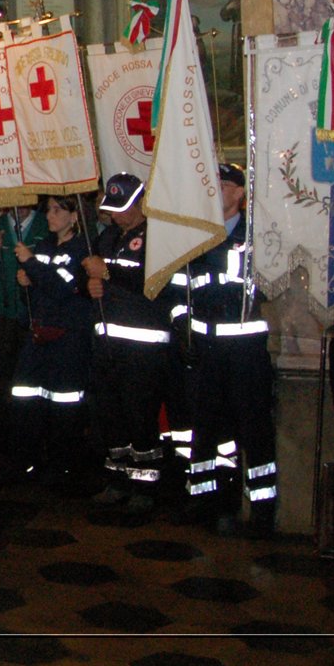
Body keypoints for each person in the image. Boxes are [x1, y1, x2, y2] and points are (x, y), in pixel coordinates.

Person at [178, 162, 277, 537]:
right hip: (206, 350)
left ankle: (262, 508)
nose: (215, 188)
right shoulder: (196, 236)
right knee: (206, 428)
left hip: (246, 352)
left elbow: (267, 289)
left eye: (222, 183)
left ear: (239, 193)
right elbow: (178, 287)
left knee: (253, 428)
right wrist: (180, 324)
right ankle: (209, 500)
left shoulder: (259, 237)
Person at [84, 173, 177, 515]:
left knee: (140, 416)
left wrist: (107, 273)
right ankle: (116, 480)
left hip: (144, 347)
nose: (117, 216)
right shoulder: (107, 237)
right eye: (112, 209)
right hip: (107, 344)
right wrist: (90, 284)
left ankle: (145, 487)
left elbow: (155, 283)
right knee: (110, 415)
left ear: (141, 203)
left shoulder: (156, 236)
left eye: (123, 208)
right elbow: (91, 279)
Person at [9, 194, 93, 485]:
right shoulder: (44, 246)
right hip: (39, 334)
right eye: (48, 209)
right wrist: (25, 284)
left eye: (58, 209)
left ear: (74, 216)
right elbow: (38, 289)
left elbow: (61, 287)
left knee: (64, 404)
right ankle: (29, 459)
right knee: (27, 397)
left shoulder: (82, 249)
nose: (50, 215)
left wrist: (31, 266)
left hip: (68, 337)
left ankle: (65, 466)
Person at [0, 202, 48, 404]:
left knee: (30, 369)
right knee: (2, 369)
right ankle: (1, 412)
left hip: (33, 310)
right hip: (1, 311)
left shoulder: (44, 225)